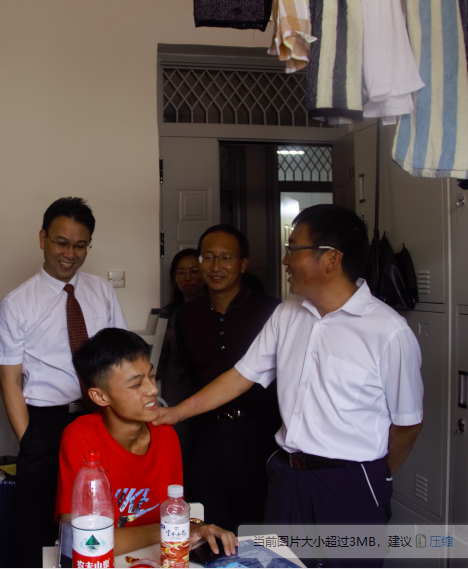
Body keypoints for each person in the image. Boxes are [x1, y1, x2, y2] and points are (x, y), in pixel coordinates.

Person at [155, 204, 423, 567]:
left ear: (331, 259)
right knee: (280, 563)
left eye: (294, 249)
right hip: (287, 479)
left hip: (350, 483)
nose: (285, 260)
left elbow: (407, 424)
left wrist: (372, 477)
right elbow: (241, 376)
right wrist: (175, 414)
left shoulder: (387, 331)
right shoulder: (288, 312)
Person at [0, 197, 127, 567]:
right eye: (61, 242)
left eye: (80, 245)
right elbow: (8, 381)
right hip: (45, 425)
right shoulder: (16, 304)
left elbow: (120, 359)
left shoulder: (102, 292)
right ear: (43, 239)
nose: (69, 254)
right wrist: (29, 440)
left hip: (99, 419)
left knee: (99, 519)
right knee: (38, 529)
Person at [56, 328, 238, 558]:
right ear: (100, 396)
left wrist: (195, 528)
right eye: (136, 385)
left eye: (151, 376)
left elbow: (174, 515)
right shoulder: (80, 437)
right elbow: (88, 541)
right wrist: (173, 530)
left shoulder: (166, 435)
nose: (153, 389)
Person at [172, 225, 281, 534]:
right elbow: (192, 372)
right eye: (208, 257)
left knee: (258, 528)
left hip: (260, 432)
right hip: (207, 431)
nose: (215, 266)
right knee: (210, 523)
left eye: (225, 257)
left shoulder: (273, 311)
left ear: (243, 263)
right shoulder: (186, 315)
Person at [156, 248, 204, 408]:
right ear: (174, 277)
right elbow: (161, 361)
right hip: (176, 395)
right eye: (181, 272)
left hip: (209, 394)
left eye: (194, 271)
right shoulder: (168, 316)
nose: (187, 277)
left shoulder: (216, 312)